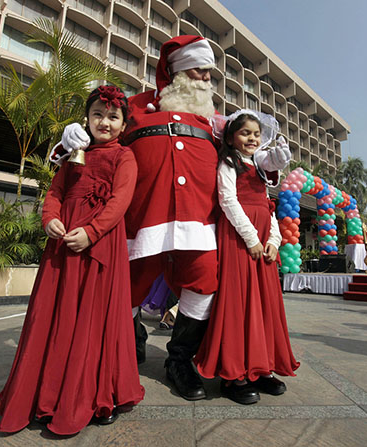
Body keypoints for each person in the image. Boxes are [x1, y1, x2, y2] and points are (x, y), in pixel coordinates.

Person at [51, 36, 291, 401]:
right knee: (127, 287)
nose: (206, 79)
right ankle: (128, 344)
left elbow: (250, 159)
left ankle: (180, 360)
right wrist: (74, 135)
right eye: (198, 71)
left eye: (209, 73)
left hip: (199, 221)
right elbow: (101, 132)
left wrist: (272, 161)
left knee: (205, 284)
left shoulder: (216, 122)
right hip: (140, 218)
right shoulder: (135, 106)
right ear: (176, 72)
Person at [0, 85, 144, 435]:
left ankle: (98, 395)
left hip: (100, 246)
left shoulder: (125, 157)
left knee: (95, 319)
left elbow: (120, 201)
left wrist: (92, 232)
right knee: (53, 317)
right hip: (62, 246)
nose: (104, 122)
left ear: (123, 125)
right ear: (87, 119)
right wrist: (50, 218)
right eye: (97, 115)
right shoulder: (75, 152)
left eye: (113, 117)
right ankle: (45, 395)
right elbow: (56, 192)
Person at [194, 110, 300, 404]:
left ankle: (262, 367)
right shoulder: (228, 164)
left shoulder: (261, 168)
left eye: (256, 134)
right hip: (238, 240)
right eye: (245, 133)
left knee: (265, 304)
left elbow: (267, 206)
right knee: (239, 303)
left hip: (262, 241)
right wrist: (252, 238)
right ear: (230, 138)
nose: (252, 138)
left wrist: (275, 240)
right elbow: (227, 201)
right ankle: (234, 375)